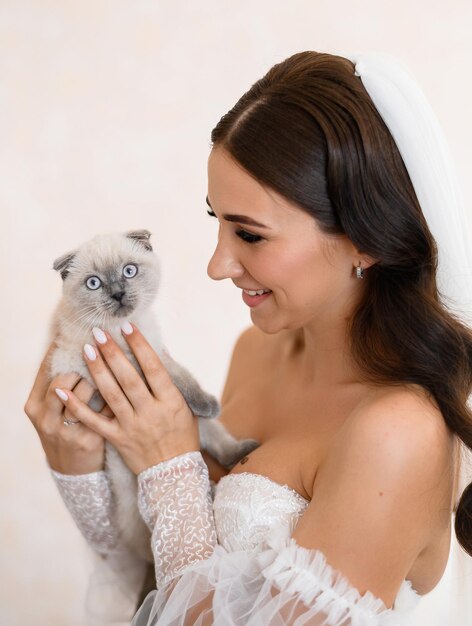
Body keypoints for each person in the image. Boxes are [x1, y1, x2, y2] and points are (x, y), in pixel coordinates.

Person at [25, 50, 472, 625]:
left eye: (251, 235)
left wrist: (169, 466)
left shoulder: (397, 434)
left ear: (368, 241)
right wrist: (76, 466)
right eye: (216, 219)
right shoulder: (256, 350)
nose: (216, 265)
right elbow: (151, 576)